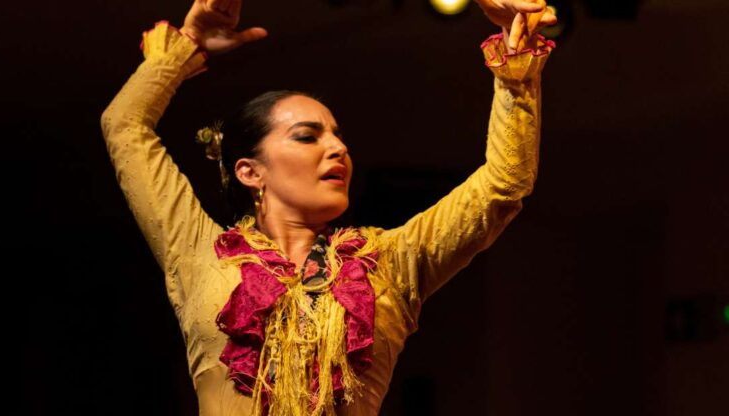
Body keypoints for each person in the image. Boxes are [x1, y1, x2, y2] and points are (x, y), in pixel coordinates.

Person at [100, 0, 556, 414]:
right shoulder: (199, 252)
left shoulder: (390, 262)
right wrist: (188, 43)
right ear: (249, 172)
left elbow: (503, 186)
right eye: (307, 136)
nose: (338, 147)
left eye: (338, 135)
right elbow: (123, 126)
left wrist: (517, 64)